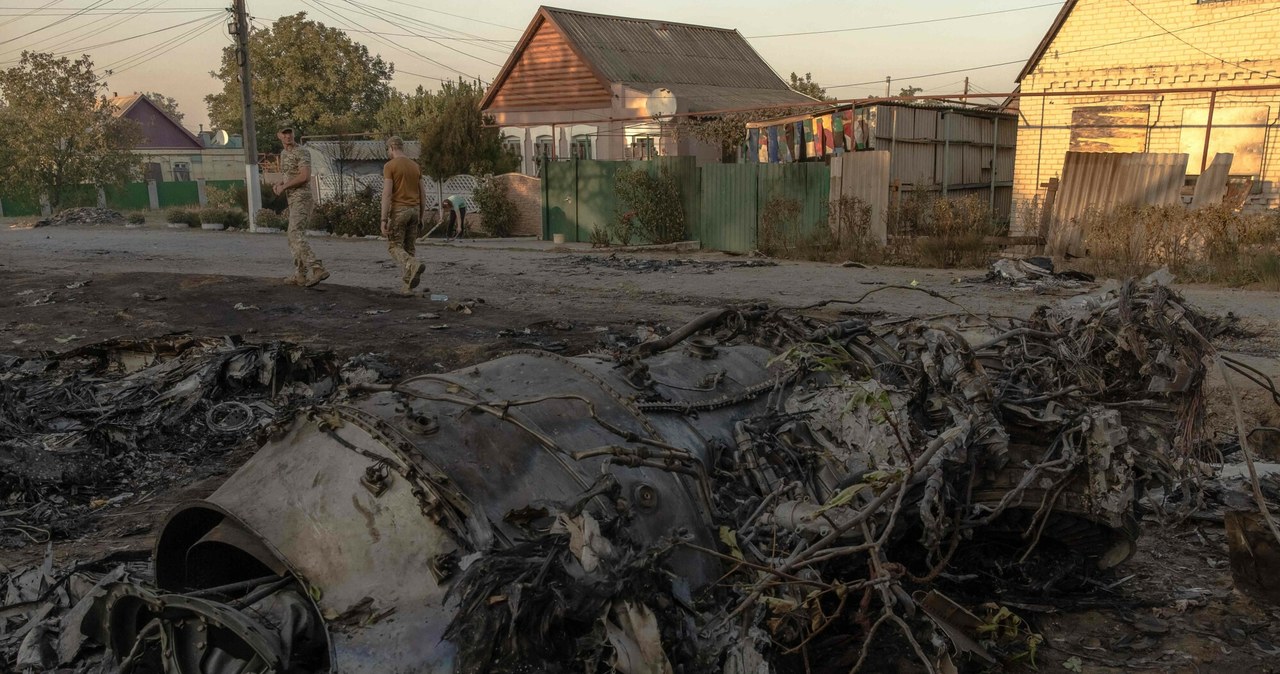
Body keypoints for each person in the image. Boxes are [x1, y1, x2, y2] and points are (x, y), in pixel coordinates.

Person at [272, 122, 328, 287]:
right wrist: (279, 184)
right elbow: (288, 175)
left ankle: (317, 268)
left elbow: (304, 176)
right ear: (279, 135)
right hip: (293, 199)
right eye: (284, 133)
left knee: (295, 233)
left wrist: (284, 187)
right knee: (293, 236)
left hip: (302, 198)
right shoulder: (283, 154)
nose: (288, 136)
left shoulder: (301, 151)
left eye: (290, 132)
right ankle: (300, 275)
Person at [380, 136, 426, 294]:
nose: (388, 152)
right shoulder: (415, 166)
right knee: (410, 247)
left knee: (394, 247)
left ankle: (412, 264)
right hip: (414, 210)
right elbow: (422, 193)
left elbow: (387, 194)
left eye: (388, 150)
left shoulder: (390, 166)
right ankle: (407, 287)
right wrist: (421, 216)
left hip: (399, 210)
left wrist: (383, 219)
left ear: (392, 147)